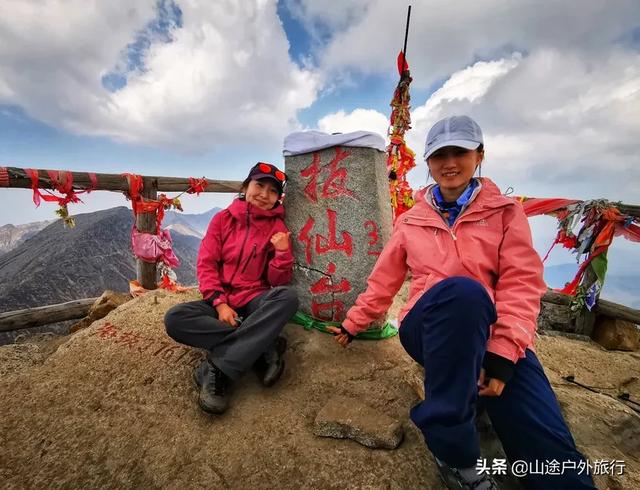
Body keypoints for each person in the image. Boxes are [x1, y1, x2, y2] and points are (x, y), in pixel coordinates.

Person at [329, 116, 596, 489]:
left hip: (489, 332)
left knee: (546, 439)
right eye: (440, 154)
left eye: (460, 151)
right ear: (428, 162)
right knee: (464, 292)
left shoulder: (505, 214)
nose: (449, 162)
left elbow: (521, 282)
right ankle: (454, 454)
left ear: (479, 156)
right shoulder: (411, 220)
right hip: (428, 328)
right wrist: (353, 323)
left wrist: (504, 352)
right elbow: (384, 279)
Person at [165, 162, 299, 415]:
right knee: (175, 319)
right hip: (222, 299)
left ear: (278, 198)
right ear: (246, 186)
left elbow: (278, 281)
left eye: (273, 191)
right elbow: (206, 264)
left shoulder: (277, 228)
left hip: (254, 300)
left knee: (287, 298)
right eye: (259, 185)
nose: (264, 195)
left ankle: (216, 369)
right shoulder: (223, 219)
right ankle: (260, 346)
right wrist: (219, 303)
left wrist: (282, 253)